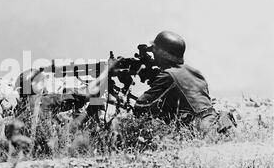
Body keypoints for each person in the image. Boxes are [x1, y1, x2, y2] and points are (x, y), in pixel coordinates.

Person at [89, 31, 236, 135]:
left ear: (162, 54)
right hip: (217, 126)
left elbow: (140, 108)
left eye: (154, 53)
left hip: (200, 130)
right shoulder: (195, 73)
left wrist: (109, 71)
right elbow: (183, 98)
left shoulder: (168, 76)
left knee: (121, 126)